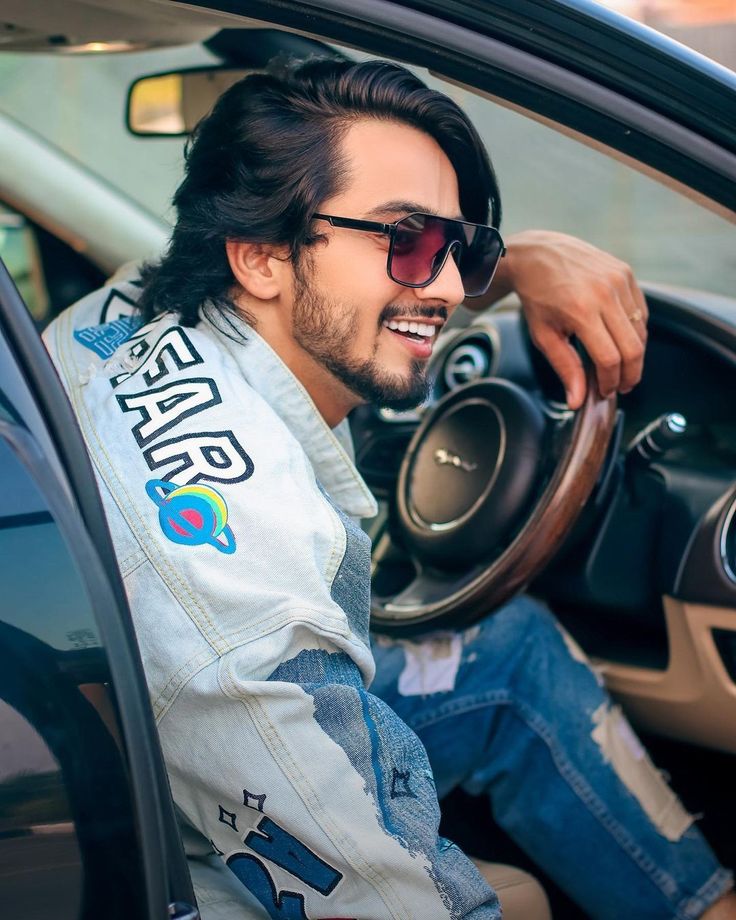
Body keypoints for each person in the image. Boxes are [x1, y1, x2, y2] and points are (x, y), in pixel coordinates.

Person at [44, 58, 735, 919]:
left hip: (121, 743)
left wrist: (516, 263)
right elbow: (393, 902)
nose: (448, 285)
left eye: (462, 248)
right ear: (260, 256)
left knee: (505, 647)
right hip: (162, 844)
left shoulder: (137, 309)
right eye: (404, 240)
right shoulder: (250, 601)